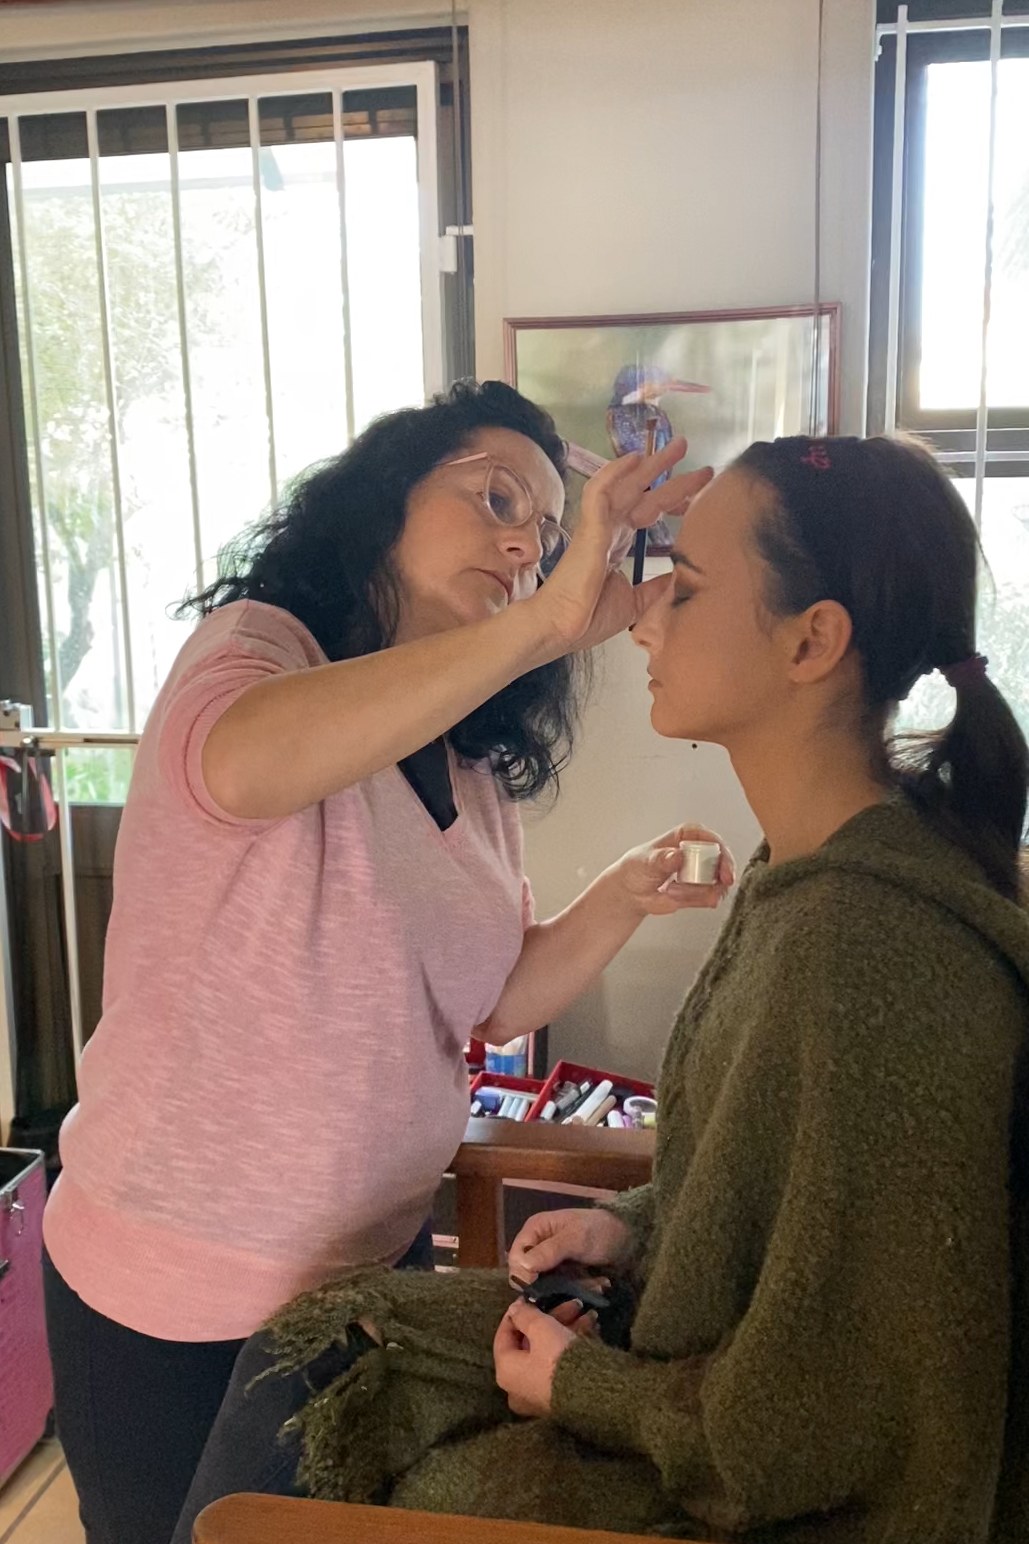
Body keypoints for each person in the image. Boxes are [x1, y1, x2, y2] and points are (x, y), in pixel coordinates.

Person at [211, 433, 1029, 1544]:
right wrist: (633, 1227)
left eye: (682, 589)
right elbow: (775, 1193)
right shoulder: (808, 872)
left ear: (811, 641)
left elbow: (824, 1427)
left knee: (323, 1412)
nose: (643, 623)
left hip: (762, 1486)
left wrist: (581, 1387)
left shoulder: (871, 954)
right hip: (696, 1377)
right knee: (317, 1342)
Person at [40, 379, 723, 1544]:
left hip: (369, 1271)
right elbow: (243, 765)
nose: (526, 545)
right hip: (176, 1284)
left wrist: (625, 890)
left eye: (549, 533)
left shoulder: (469, 763)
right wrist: (547, 622)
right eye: (497, 499)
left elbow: (492, 1002)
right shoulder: (258, 649)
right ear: (385, 496)